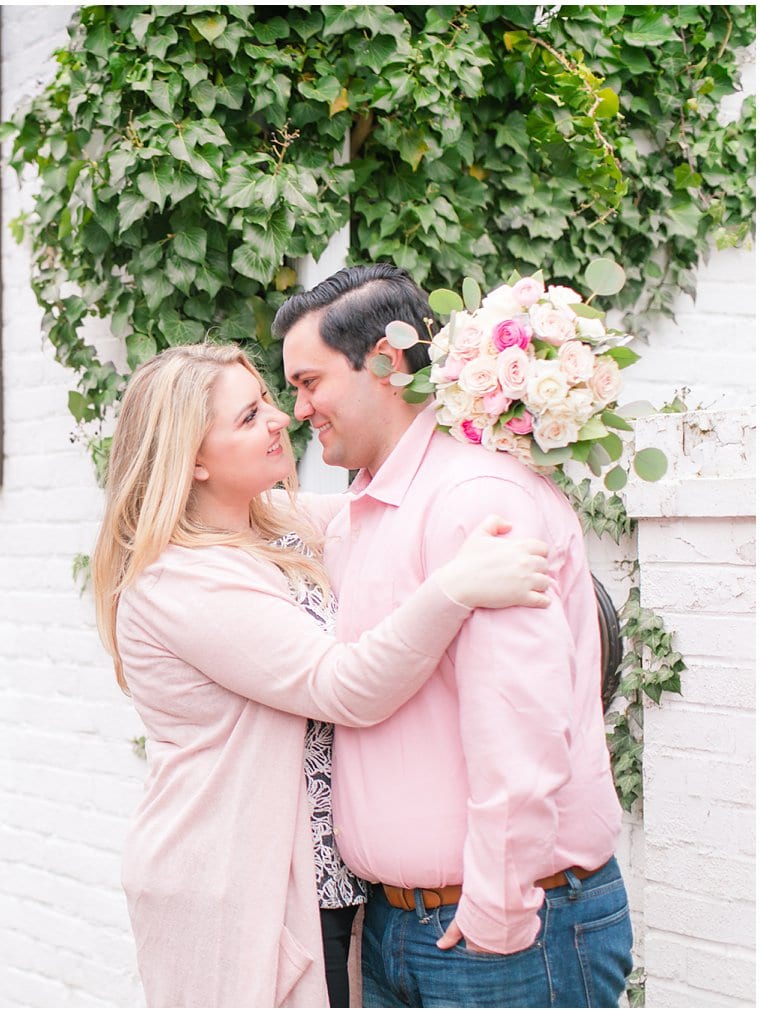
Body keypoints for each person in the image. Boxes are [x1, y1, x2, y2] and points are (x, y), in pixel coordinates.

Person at [91, 342, 554, 1007]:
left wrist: (482, 411)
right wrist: (454, 587)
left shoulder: (278, 525)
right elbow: (341, 686)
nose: (280, 418)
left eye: (267, 403)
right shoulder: (180, 578)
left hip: (320, 885)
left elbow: (397, 512)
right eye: (248, 416)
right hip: (233, 880)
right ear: (191, 459)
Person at [277, 264, 634, 1008]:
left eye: (309, 382)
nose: (298, 406)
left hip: (496, 934)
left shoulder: (474, 499)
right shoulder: (368, 508)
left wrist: (497, 907)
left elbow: (518, 723)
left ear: (382, 360)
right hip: (401, 928)